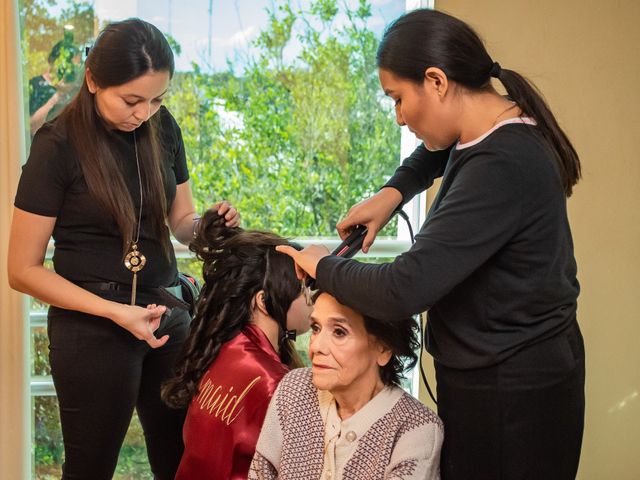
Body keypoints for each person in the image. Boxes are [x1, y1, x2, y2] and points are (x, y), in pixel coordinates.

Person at [276, 8, 584, 480]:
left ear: (436, 81)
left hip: (515, 395)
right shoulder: (489, 129)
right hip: (499, 372)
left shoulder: (503, 164)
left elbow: (405, 287)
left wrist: (323, 266)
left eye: (398, 99)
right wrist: (393, 192)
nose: (399, 117)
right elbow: (435, 152)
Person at [8, 18, 239, 480]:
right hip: (92, 329)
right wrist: (115, 312)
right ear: (93, 80)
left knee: (180, 462)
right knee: (90, 468)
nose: (144, 113)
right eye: (132, 100)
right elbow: (22, 270)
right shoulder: (56, 146)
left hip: (166, 315)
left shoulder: (162, 127)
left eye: (157, 100)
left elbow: (180, 223)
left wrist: (207, 227)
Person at [161, 209, 313, 479]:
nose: (311, 299)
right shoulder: (275, 384)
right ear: (264, 301)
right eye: (303, 290)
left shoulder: (219, 349)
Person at [249, 291, 443, 479]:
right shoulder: (294, 388)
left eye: (339, 332)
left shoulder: (417, 428)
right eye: (316, 328)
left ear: (383, 348)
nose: (316, 346)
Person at [29, 34, 81, 136]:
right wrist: (57, 97)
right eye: (67, 64)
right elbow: (31, 126)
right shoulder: (36, 85)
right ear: (52, 60)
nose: (69, 70)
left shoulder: (75, 89)